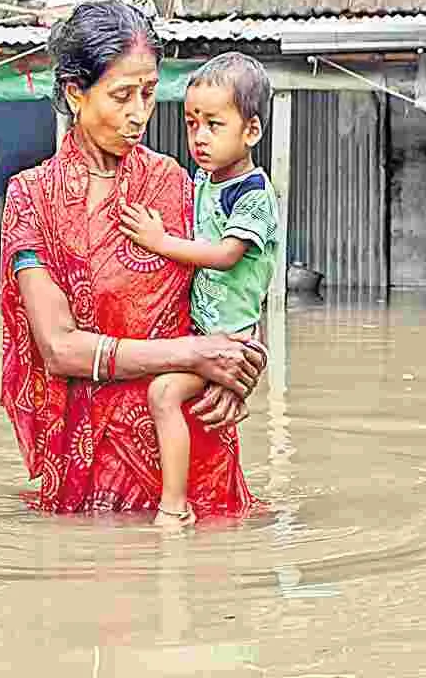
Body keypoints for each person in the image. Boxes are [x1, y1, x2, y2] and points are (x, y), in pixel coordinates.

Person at [0, 0, 267, 519]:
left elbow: (237, 288)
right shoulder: (32, 199)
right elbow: (58, 349)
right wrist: (194, 357)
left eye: (148, 93)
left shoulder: (176, 184)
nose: (139, 113)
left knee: (212, 585)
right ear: (76, 92)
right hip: (90, 464)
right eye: (122, 96)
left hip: (190, 452)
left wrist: (239, 370)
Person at [119, 52, 278, 528]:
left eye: (214, 124)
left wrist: (160, 242)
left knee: (165, 394)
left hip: (233, 337)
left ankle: (174, 508)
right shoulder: (204, 182)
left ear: (250, 132)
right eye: (192, 124)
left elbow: (228, 253)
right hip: (208, 329)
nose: (200, 138)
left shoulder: (252, 193)